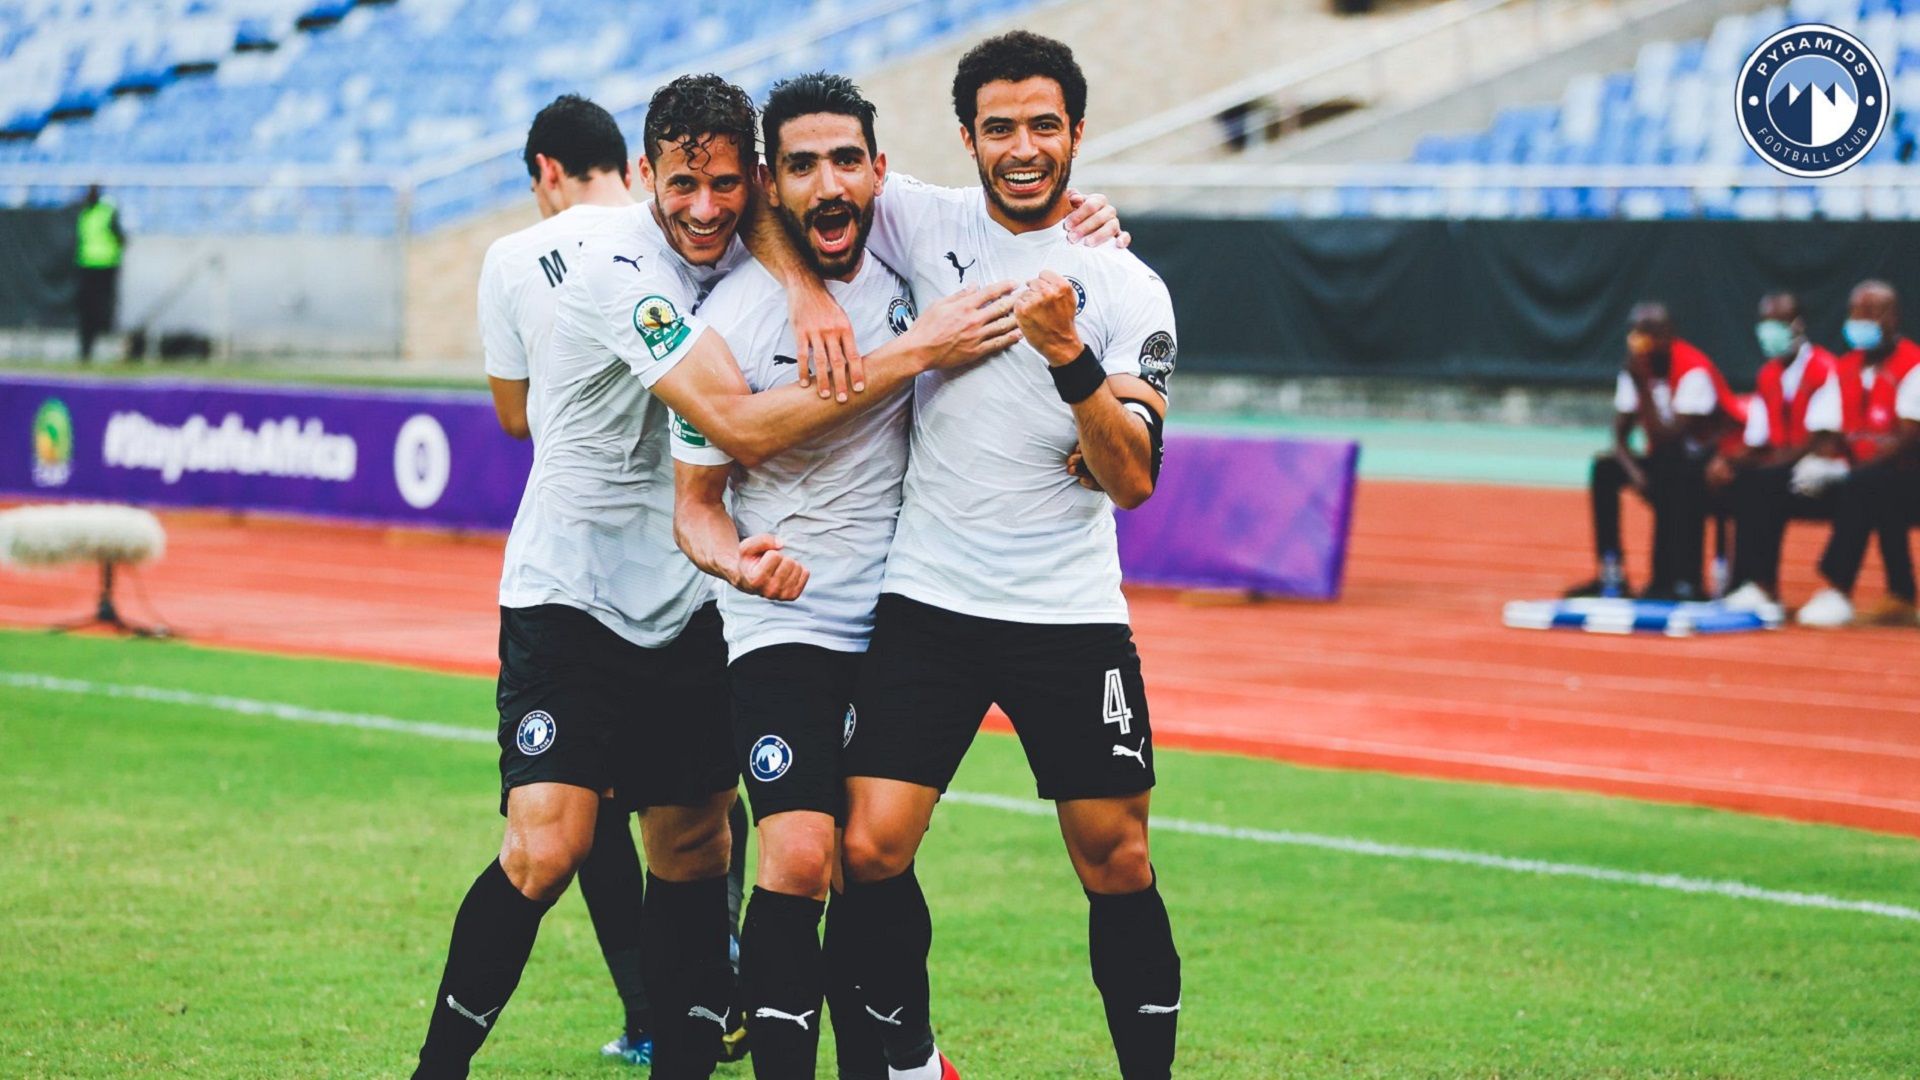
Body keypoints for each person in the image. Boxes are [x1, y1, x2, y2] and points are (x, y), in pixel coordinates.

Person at [412, 71, 1054, 1080]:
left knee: (695, 853)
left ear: (750, 180)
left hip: (701, 598)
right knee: (547, 849)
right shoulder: (621, 270)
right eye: (682, 186)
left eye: (724, 186)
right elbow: (738, 424)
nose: (704, 209)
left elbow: (891, 208)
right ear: (643, 177)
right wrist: (913, 350)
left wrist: (1081, 221)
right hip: (575, 591)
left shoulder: (766, 238)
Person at [823, 32, 1181, 1080]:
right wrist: (802, 293)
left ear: (1078, 132)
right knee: (867, 846)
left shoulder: (1130, 288)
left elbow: (1131, 477)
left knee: (1117, 857)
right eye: (999, 129)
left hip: (1069, 612)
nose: (1022, 148)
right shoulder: (919, 218)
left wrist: (1069, 354)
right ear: (968, 138)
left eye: (1042, 127)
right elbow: (782, 198)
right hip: (930, 597)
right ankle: (914, 1062)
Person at [475, 93, 762, 1068]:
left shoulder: (520, 256)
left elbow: (514, 419)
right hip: (696, 576)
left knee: (573, 821)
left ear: (547, 172)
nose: (703, 202)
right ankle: (709, 990)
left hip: (579, 575)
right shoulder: (716, 251)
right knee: (701, 820)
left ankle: (650, 1013)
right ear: (637, 171)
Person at [671, 72, 913, 1080]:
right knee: (801, 854)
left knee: (872, 864)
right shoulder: (731, 317)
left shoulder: (913, 268)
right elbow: (694, 503)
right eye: (802, 165)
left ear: (878, 171)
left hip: (902, 622)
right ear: (773, 183)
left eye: (845, 160)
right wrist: (735, 560)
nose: (829, 183)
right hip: (785, 625)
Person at [1566, 303, 1743, 600]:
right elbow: (1620, 436)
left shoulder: (1693, 370)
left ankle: (1681, 579)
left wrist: (1643, 386)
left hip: (1708, 459)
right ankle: (1611, 572)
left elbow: (1671, 437)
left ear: (1668, 336)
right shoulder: (1635, 369)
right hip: (1665, 459)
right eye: (1635, 332)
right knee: (1605, 468)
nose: (1639, 340)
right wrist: (1635, 474)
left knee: (1676, 470)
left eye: (1648, 332)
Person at [1795, 280, 1920, 628]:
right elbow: (1826, 433)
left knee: (1870, 483)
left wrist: (1848, 472)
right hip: (1867, 480)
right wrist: (1819, 462)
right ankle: (1755, 583)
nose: (1860, 321)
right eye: (1855, 313)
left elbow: (1907, 440)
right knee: (1769, 482)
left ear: (1892, 318)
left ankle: (1839, 587)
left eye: (1870, 313)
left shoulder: (1914, 366)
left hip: (1909, 477)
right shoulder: (1845, 368)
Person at [1710, 291, 1843, 611]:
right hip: (1783, 469)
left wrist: (1765, 468)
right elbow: (1757, 441)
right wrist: (1725, 461)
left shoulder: (1824, 369)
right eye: (1765, 322)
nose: (1769, 331)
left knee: (1761, 483)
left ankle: (1764, 586)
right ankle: (1739, 581)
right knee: (1735, 479)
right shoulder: (1768, 374)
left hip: (1821, 470)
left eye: (1778, 323)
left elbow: (1820, 441)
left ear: (1797, 326)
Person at [73, 185, 125, 364]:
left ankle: (89, 350)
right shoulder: (104, 212)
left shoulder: (86, 213)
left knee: (90, 310)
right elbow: (120, 237)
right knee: (101, 310)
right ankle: (96, 349)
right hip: (103, 266)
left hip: (91, 266)